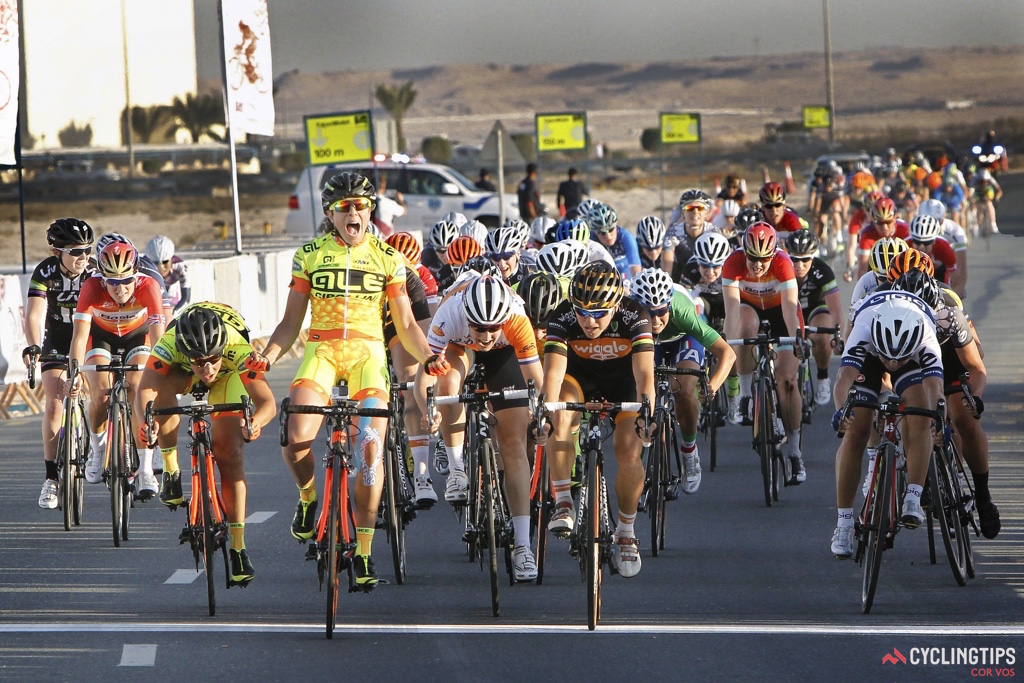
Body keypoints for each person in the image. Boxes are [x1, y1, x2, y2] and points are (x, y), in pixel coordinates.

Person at [246, 172, 437, 589]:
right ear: (331, 213)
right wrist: (266, 357)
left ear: (371, 210)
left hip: (368, 357)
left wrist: (429, 358)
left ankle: (366, 553)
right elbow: (290, 323)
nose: (354, 212)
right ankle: (309, 497)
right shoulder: (310, 255)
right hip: (323, 352)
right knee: (296, 436)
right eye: (344, 207)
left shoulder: (389, 259)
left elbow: (405, 324)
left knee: (369, 455)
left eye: (361, 206)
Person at [137, 303, 276, 585]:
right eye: (200, 361)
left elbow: (267, 403)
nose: (208, 367)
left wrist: (256, 422)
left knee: (230, 453)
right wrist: (146, 423)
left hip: (231, 376)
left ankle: (238, 547)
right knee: (161, 395)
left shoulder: (237, 348)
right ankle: (171, 468)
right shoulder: (169, 343)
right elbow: (145, 390)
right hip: (181, 372)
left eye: (213, 359)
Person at [416, 275, 542, 581]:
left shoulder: (516, 318)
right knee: (447, 384)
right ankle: (458, 469)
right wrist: (427, 411)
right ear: (467, 317)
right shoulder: (449, 313)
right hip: (460, 349)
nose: (485, 335)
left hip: (505, 355)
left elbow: (535, 379)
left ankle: (523, 546)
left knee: (513, 443)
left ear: (503, 320)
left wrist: (542, 415)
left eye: (492, 328)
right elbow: (425, 374)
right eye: (479, 327)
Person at [540, 261, 654, 578]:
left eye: (600, 313)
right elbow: (553, 374)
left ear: (616, 305)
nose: (590, 321)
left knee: (629, 449)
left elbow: (645, 374)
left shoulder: (635, 315)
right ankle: (563, 499)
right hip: (579, 381)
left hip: (624, 382)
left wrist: (648, 413)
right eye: (583, 313)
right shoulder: (562, 316)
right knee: (559, 410)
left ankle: (627, 532)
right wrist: (546, 414)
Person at [829, 293, 943, 558]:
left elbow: (935, 390)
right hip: (870, 356)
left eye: (897, 360)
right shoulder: (865, 327)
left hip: (911, 355)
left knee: (922, 413)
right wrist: (840, 413)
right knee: (856, 431)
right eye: (888, 359)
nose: (891, 365)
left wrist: (940, 422)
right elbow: (843, 380)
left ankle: (913, 496)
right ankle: (844, 523)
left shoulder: (925, 333)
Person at [65, 241, 166, 498]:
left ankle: (145, 469)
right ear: (102, 277)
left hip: (137, 335)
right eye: (112, 282)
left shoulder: (148, 286)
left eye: (126, 281)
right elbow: (79, 338)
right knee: (101, 393)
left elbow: (158, 340)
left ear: (136, 275)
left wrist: (163, 372)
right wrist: (74, 373)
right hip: (101, 336)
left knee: (137, 391)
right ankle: (97, 452)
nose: (120, 289)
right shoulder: (91, 287)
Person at [630, 268, 736, 495]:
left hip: (682, 338)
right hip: (646, 341)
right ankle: (635, 463)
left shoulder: (682, 310)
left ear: (668, 305)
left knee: (685, 388)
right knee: (639, 393)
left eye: (661, 312)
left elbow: (727, 353)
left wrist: (713, 385)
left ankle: (689, 451)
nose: (656, 320)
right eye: (649, 313)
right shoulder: (628, 313)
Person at [721, 223, 807, 481]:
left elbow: (791, 310)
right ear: (744, 252)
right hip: (749, 311)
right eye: (752, 258)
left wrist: (797, 340)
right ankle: (747, 394)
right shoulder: (733, 262)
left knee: (789, 381)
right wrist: (729, 347)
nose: (757, 265)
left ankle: (794, 452)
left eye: (763, 260)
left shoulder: (783, 262)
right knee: (744, 326)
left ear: (773, 254)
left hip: (781, 313)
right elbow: (732, 312)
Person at [23, 218, 96, 509]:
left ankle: (107, 448)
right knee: (53, 405)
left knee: (107, 393)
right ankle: (51, 478)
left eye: (87, 251)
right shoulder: (45, 271)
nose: (83, 258)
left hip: (89, 339)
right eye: (76, 252)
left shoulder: (94, 272)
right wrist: (33, 345)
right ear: (57, 251)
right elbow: (33, 315)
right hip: (56, 339)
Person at [786, 230, 843, 405]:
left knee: (821, 336)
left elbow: (835, 309)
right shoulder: (781, 268)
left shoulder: (822, 270)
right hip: (788, 309)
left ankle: (823, 376)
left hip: (815, 308)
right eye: (794, 259)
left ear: (813, 257)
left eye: (805, 259)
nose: (799, 265)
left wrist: (837, 336)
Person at [589, 202, 641, 282]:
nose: (608, 236)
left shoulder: (626, 237)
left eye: (611, 229)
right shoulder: (591, 239)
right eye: (602, 233)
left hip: (624, 269)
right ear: (595, 232)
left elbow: (636, 272)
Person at [145, 235, 191, 316]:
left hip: (171, 293)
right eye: (155, 263)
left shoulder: (180, 267)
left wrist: (174, 312)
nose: (161, 267)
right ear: (149, 260)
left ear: (171, 258)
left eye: (165, 261)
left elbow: (186, 298)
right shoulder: (144, 267)